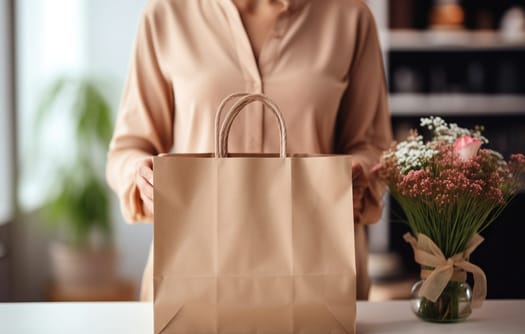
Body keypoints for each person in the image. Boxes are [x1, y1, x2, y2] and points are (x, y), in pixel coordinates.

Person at [106, 0, 393, 301]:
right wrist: (141, 176)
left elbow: (375, 146)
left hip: (318, 278)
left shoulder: (350, 16)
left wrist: (357, 172)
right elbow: (129, 148)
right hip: (193, 275)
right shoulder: (165, 14)